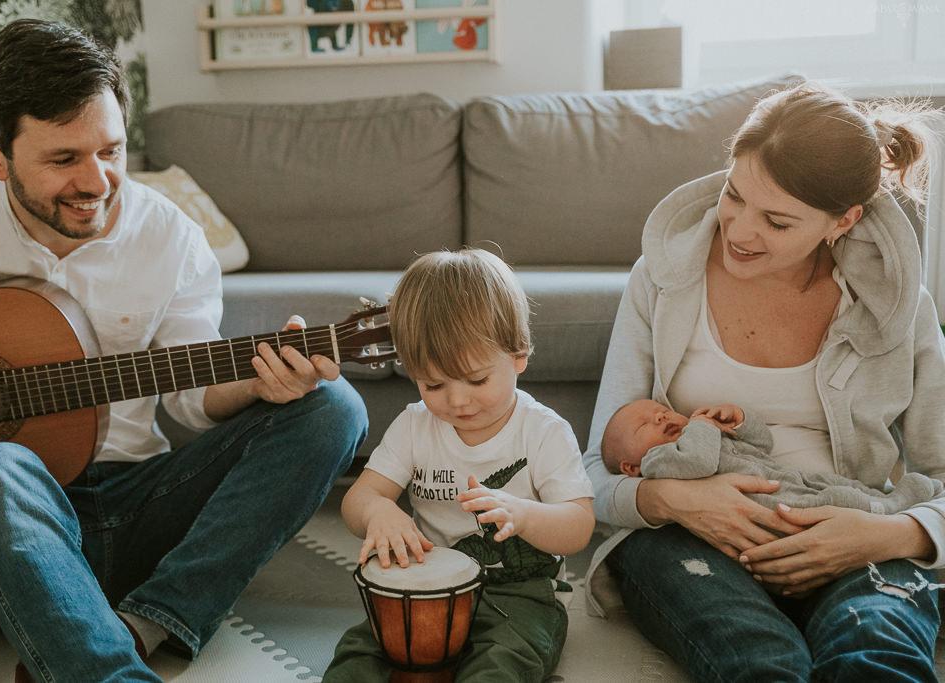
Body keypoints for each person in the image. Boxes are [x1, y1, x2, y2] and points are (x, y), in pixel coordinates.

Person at [0, 19, 367, 682]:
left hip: (134, 510)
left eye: (111, 151)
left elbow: (191, 400)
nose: (97, 181)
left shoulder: (171, 238)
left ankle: (149, 618)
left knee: (334, 406)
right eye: (64, 159)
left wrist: (258, 385)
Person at [581, 80, 945, 681]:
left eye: (777, 222)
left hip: (855, 527)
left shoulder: (900, 308)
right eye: (733, 195)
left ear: (842, 221)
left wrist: (886, 536)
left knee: (876, 654)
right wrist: (675, 499)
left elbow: (939, 479)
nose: (740, 233)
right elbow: (596, 469)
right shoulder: (664, 281)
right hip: (687, 534)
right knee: (758, 661)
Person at [324, 248, 595, 681]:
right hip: (426, 588)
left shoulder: (544, 431)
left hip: (519, 596)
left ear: (519, 353)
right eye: (434, 383)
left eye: (476, 379)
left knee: (501, 664)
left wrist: (523, 514)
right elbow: (360, 497)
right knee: (356, 656)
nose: (457, 400)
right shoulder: (415, 425)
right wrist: (379, 511)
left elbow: (579, 525)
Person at [603, 399, 943, 515]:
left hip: (785, 476)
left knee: (836, 484)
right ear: (630, 467)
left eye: (661, 411)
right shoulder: (657, 463)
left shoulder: (699, 433)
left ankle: (884, 497)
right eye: (643, 425)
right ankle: (889, 509)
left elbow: (763, 444)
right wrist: (701, 425)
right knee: (833, 500)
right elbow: (700, 463)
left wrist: (740, 419)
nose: (660, 418)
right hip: (772, 504)